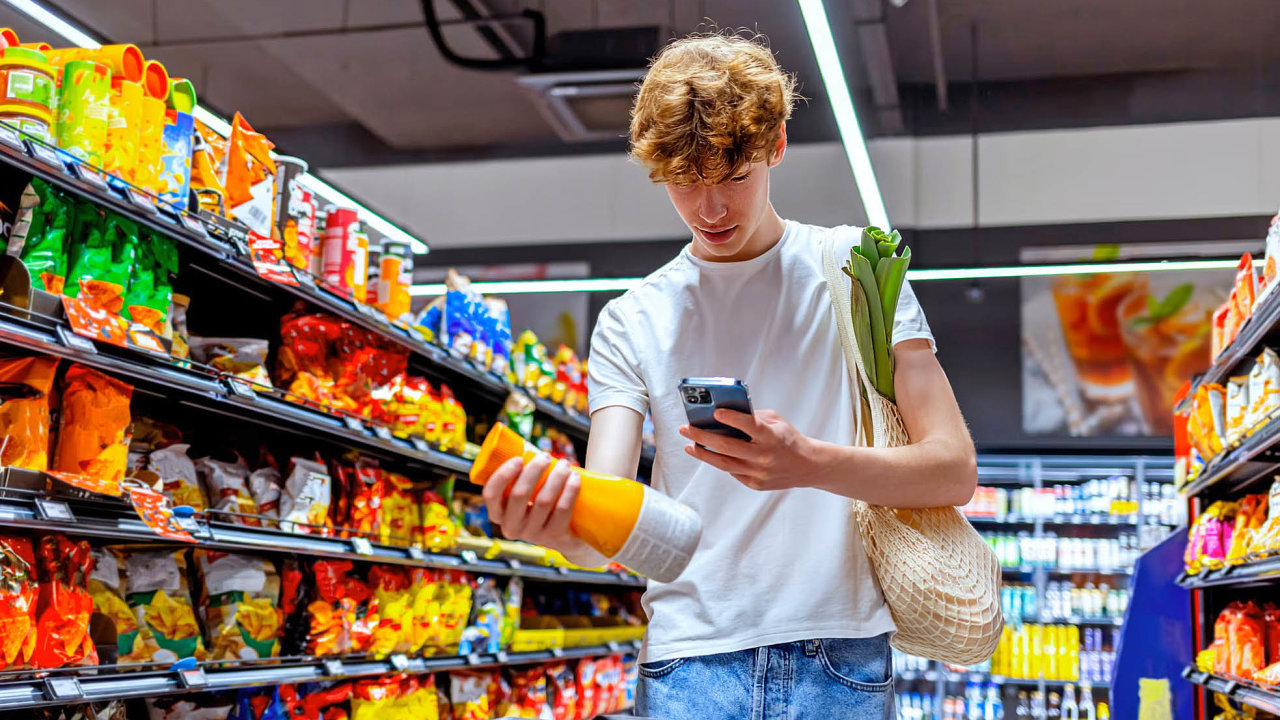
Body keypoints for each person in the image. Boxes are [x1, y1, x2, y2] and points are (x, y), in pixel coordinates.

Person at [480, 31, 977, 720]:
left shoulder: (857, 270)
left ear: (776, 146)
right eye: (686, 181)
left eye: (734, 177)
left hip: (839, 656)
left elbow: (953, 469)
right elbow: (602, 536)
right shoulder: (632, 319)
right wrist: (548, 524)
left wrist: (807, 462)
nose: (711, 209)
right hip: (689, 664)